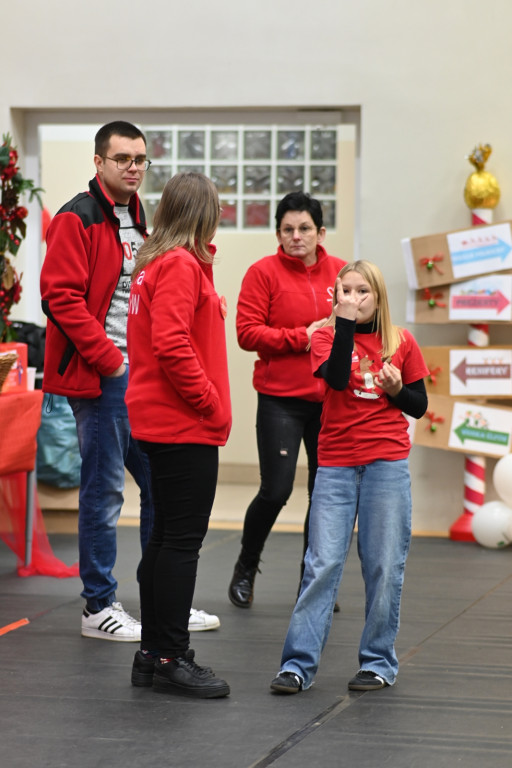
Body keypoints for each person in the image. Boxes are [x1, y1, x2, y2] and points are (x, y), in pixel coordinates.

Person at [40, 121, 219, 641]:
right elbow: (61, 299)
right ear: (99, 163)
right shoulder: (78, 217)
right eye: (122, 158)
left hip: (141, 378)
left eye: (140, 158)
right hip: (105, 378)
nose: (133, 167)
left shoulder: (144, 218)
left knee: (162, 490)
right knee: (104, 495)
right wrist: (110, 359)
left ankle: (164, 600)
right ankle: (98, 606)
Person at [270, 260, 429, 694]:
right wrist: (342, 323)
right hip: (337, 465)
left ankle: (378, 662)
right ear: (335, 295)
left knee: (383, 564)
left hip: (386, 465)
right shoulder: (323, 336)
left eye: (363, 292)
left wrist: (397, 390)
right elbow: (337, 379)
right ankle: (297, 666)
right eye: (346, 291)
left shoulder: (401, 341)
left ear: (378, 297)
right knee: (321, 565)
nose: (354, 299)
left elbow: (418, 404)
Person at [126, 172, 231, 698]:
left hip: (161, 421)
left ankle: (151, 654)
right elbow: (171, 345)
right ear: (203, 213)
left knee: (165, 538)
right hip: (182, 424)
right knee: (181, 544)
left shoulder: (155, 265)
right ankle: (170, 655)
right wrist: (209, 402)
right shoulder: (181, 266)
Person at [228, 192, 346, 609]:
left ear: (320, 232)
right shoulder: (262, 273)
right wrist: (303, 336)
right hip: (280, 398)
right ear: (277, 233)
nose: (296, 237)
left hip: (330, 401)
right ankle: (246, 565)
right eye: (287, 230)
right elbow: (247, 334)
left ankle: (312, 583)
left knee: (324, 495)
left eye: (304, 229)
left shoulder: (340, 273)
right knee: (276, 491)